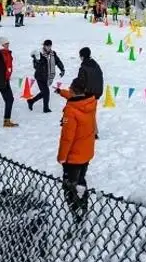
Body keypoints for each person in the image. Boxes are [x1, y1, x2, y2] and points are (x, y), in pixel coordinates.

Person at [56, 81, 98, 221]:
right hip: (86, 152)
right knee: (81, 180)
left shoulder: (71, 110)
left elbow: (67, 138)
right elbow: (74, 97)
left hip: (73, 157)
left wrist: (62, 157)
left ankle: (76, 212)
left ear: (73, 91)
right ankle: (83, 205)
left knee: (69, 185)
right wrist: (61, 92)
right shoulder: (89, 102)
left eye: (70, 90)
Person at [29, 40, 65, 113]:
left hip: (48, 77)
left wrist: (62, 69)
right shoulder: (39, 54)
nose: (49, 47)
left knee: (44, 92)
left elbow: (58, 61)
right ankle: (46, 108)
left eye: (50, 46)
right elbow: (35, 66)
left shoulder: (53, 54)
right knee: (46, 92)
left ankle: (31, 101)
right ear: (44, 46)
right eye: (47, 46)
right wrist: (37, 60)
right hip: (40, 77)